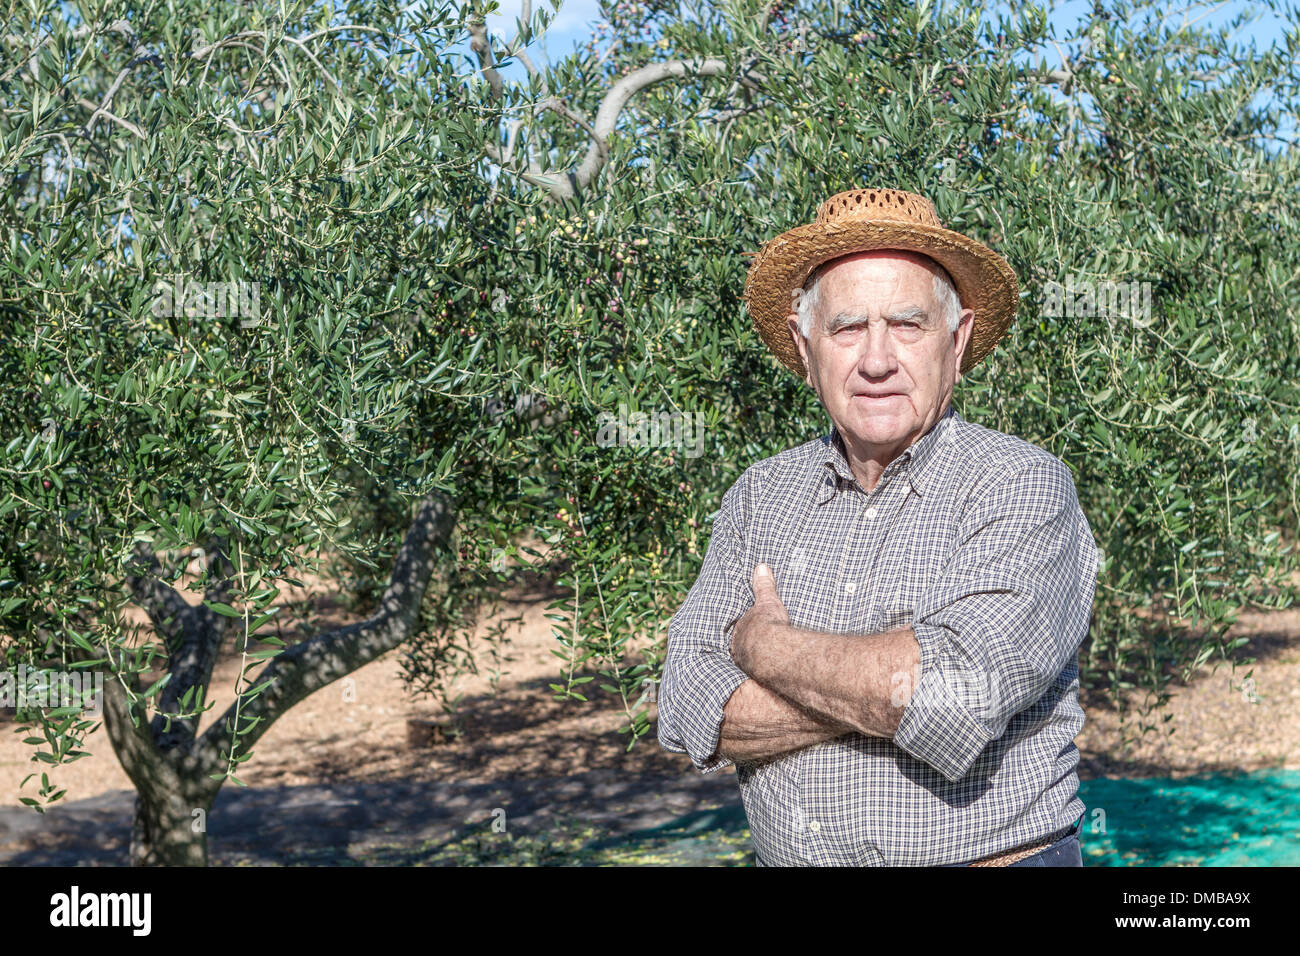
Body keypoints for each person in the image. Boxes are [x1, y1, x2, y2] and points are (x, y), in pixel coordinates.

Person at [656, 187, 1096, 866]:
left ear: (958, 340)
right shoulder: (759, 495)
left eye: (908, 325)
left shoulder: (1021, 485)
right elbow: (687, 702)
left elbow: (951, 700)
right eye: (848, 327)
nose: (877, 360)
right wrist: (880, 685)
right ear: (806, 349)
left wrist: (764, 648)